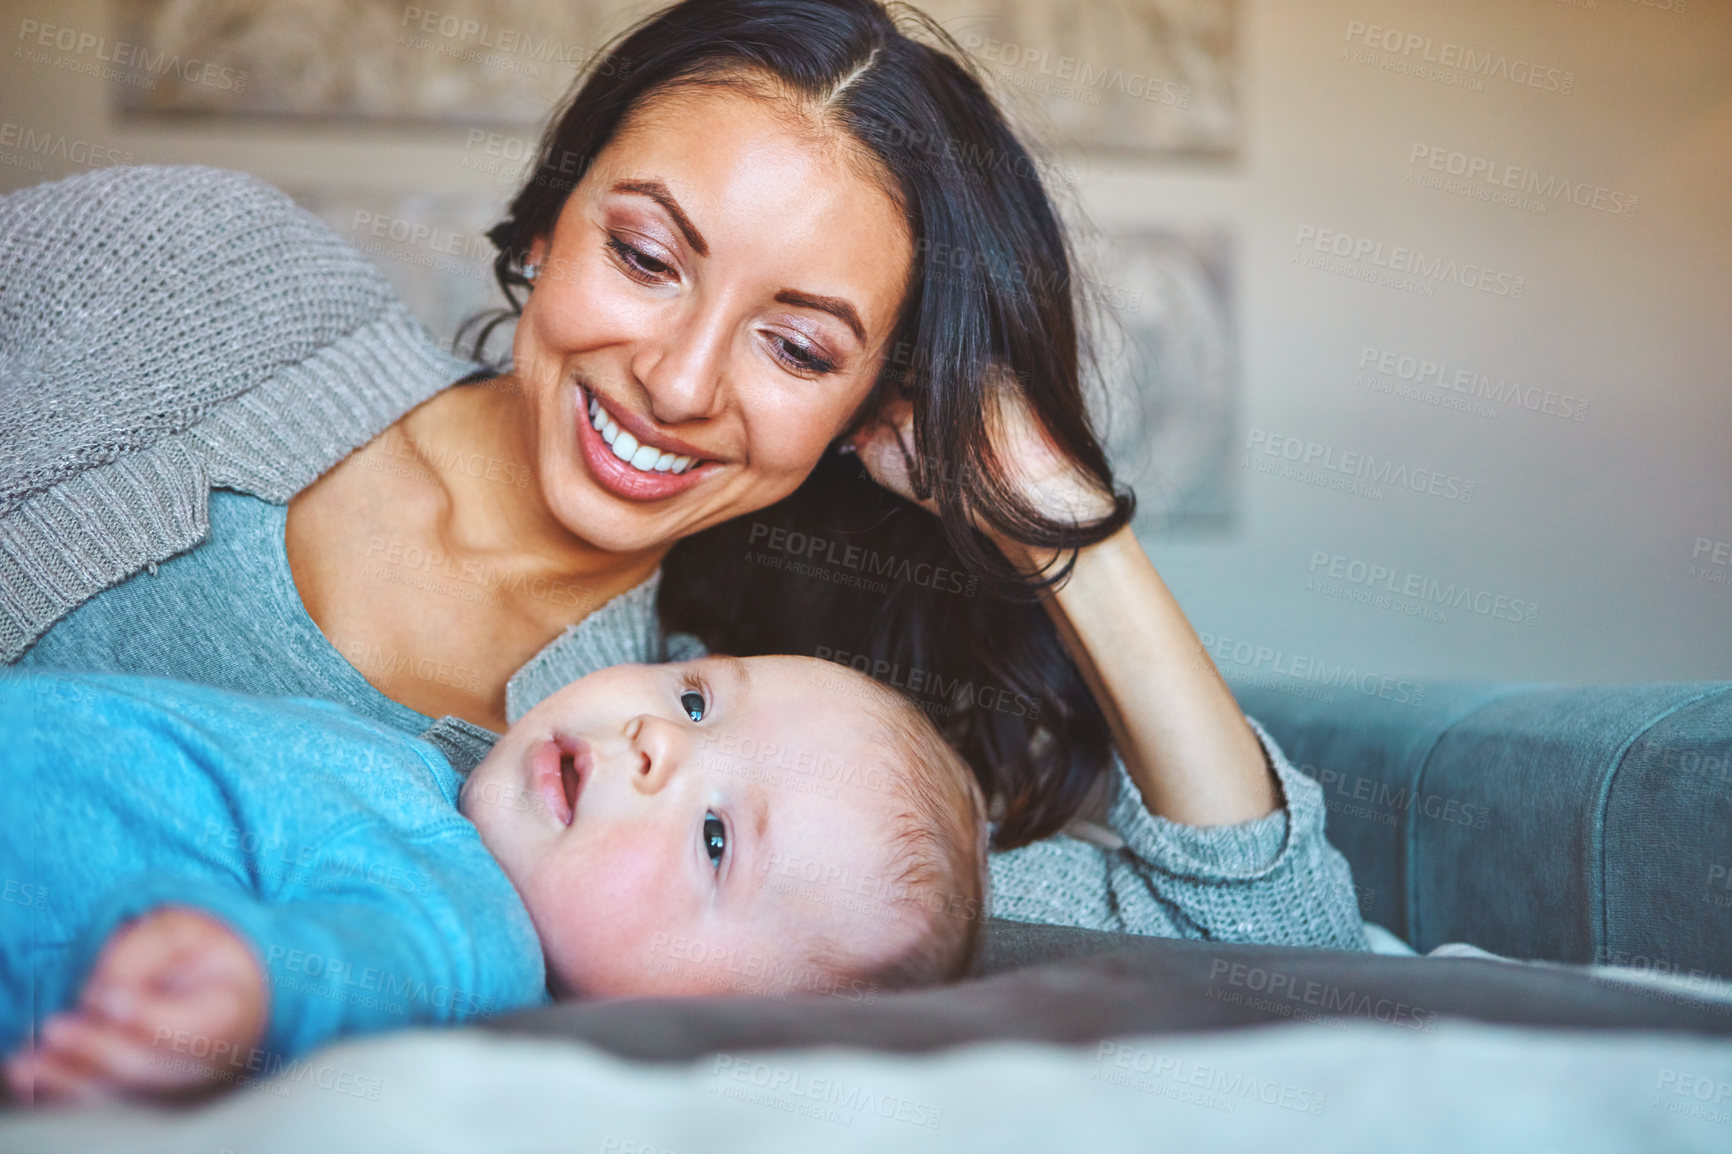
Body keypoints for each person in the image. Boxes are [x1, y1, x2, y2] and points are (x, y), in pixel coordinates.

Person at [0, 0, 1367, 950]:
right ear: (549, 217)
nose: (680, 379)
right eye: (647, 258)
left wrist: (1063, 523)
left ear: (866, 409)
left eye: (796, 344)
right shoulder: (201, 277)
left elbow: (1270, 933)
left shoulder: (705, 784)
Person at [0, 654, 987, 1102]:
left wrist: (249, 983)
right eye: (695, 698)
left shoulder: (477, 925)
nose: (654, 742)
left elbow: (376, 961)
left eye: (718, 838)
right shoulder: (428, 780)